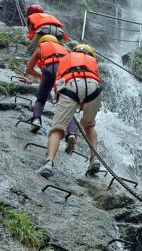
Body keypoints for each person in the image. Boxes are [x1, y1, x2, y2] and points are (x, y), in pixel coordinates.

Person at [36, 44, 103, 178]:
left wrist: (59, 98)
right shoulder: (92, 62)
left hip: (71, 84)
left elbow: (58, 82)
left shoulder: (66, 57)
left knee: (57, 128)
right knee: (89, 125)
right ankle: (94, 159)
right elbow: (96, 81)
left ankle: (49, 163)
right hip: (94, 88)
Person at [25, 34, 78, 153]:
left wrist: (40, 76)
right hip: (64, 75)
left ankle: (36, 121)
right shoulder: (64, 49)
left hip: (49, 70)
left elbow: (28, 69)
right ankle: (71, 133)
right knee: (66, 105)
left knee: (41, 99)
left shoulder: (41, 47)